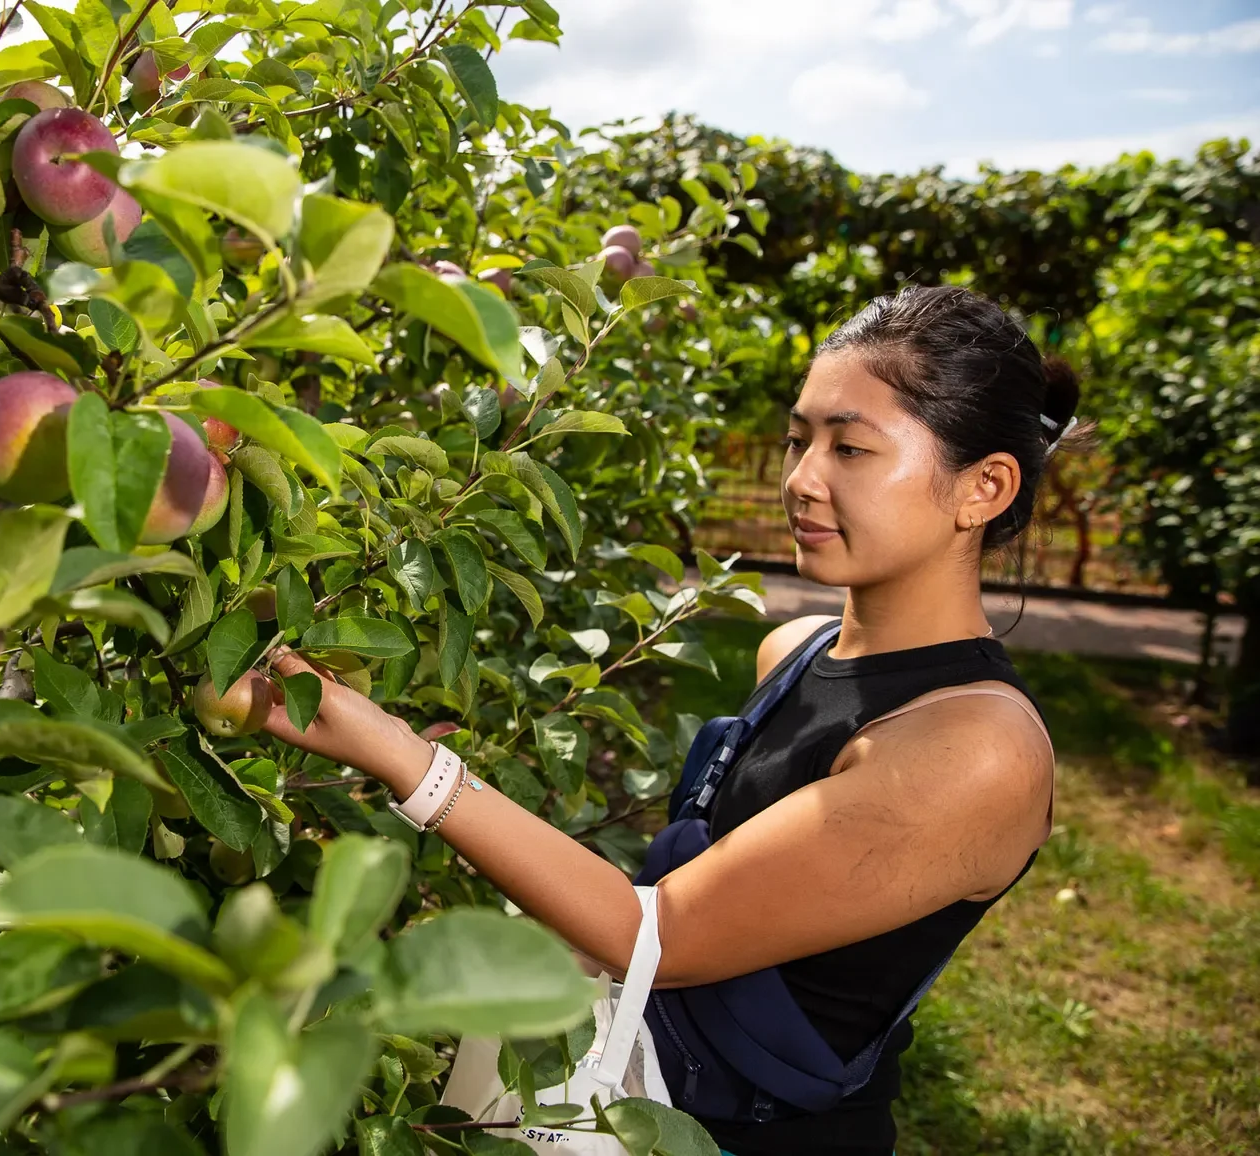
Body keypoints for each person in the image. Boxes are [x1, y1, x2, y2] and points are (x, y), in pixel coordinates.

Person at [243, 284, 1080, 1154]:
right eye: (798, 440)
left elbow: (663, 935)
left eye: (851, 449)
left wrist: (403, 760)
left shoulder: (975, 751)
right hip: (624, 1092)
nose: (800, 478)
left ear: (982, 487)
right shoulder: (795, 648)